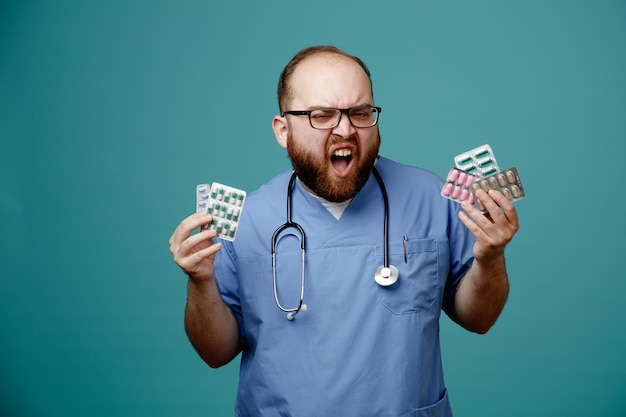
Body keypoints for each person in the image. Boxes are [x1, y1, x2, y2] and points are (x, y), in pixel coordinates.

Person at [169, 45, 519, 416]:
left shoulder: (432, 199)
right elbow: (215, 353)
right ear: (282, 130)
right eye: (322, 115)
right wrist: (200, 281)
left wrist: (490, 257)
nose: (346, 129)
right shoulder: (246, 220)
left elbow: (478, 319)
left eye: (360, 113)